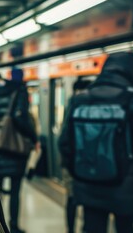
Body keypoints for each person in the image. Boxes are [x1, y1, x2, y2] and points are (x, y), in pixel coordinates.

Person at [59, 52, 133, 233]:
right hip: (125, 188)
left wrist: (79, 172)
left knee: (92, 228)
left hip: (88, 184)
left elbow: (64, 143)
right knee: (125, 228)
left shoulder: (80, 100)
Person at [0, 69, 38, 233]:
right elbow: (20, 118)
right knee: (15, 192)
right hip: (16, 150)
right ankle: (13, 227)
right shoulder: (20, 90)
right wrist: (34, 137)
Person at [60, 78, 92, 233]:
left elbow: (63, 139)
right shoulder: (87, 106)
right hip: (84, 164)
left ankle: (71, 229)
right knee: (85, 201)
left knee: (72, 199)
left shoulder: (72, 104)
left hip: (71, 163)